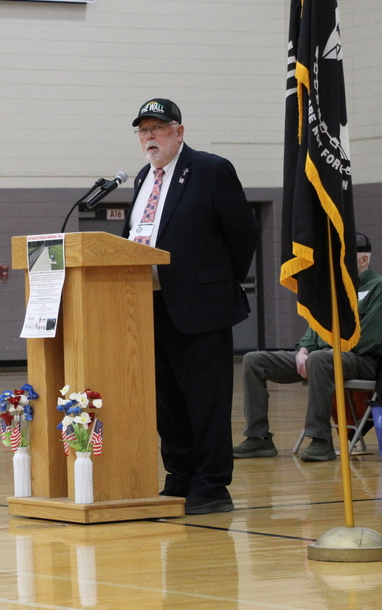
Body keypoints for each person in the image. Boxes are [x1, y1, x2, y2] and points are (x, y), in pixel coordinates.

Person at [122, 98, 258, 515]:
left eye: (158, 129)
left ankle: (212, 485)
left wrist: (215, 281)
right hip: (151, 305)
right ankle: (179, 477)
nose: (150, 137)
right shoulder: (143, 177)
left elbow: (243, 233)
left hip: (201, 307)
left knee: (206, 401)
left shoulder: (211, 170)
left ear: (179, 132)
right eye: (143, 130)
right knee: (168, 403)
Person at [233, 232, 382, 462]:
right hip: (321, 357)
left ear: (363, 260)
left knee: (321, 359)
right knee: (254, 360)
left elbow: (371, 337)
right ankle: (258, 438)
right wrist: (303, 350)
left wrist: (329, 352)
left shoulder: (380, 288)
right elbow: (315, 326)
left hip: (360, 360)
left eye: (345, 258)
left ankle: (321, 441)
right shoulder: (336, 288)